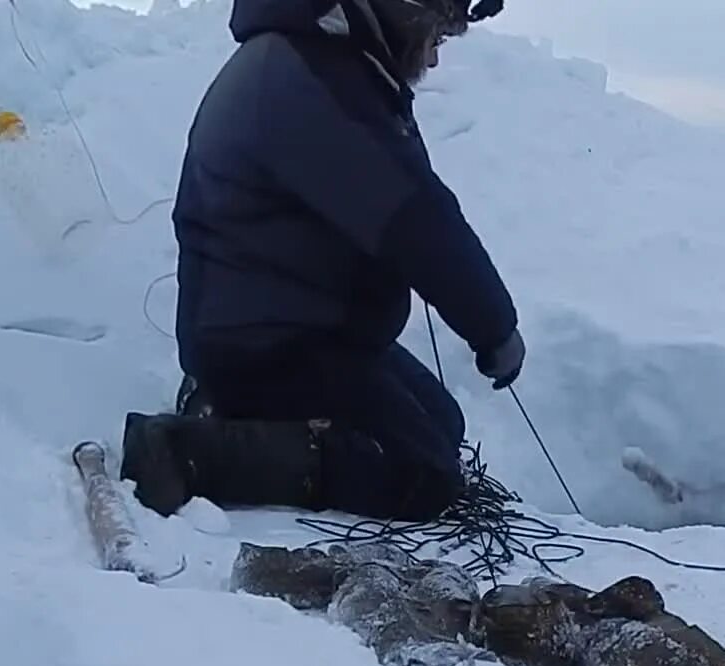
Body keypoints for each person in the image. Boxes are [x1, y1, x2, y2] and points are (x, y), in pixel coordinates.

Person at [121, 0, 525, 523]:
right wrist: (493, 327)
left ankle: (226, 407)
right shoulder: (303, 78)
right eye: (436, 39)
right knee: (422, 472)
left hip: (309, 330)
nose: (435, 59)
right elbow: (412, 217)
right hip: (263, 342)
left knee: (443, 424)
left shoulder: (327, 63)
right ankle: (193, 451)